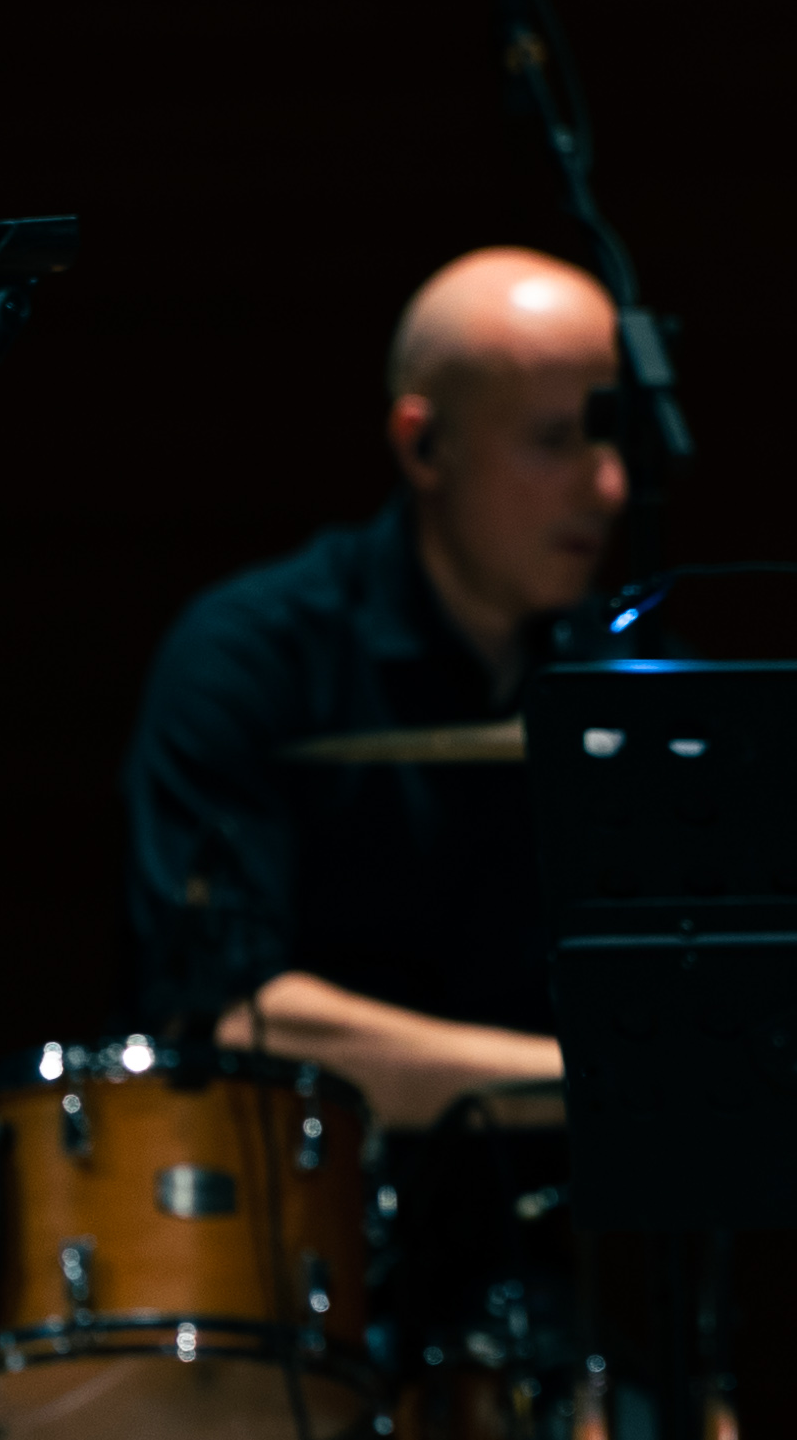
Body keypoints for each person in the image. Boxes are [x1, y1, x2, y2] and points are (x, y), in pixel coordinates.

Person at [118, 246, 628, 1130]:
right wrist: (601, 1084)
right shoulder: (252, 657)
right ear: (424, 445)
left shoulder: (627, 673)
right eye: (555, 439)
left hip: (568, 1241)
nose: (609, 484)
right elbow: (232, 1020)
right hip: (306, 1231)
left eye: (611, 433)